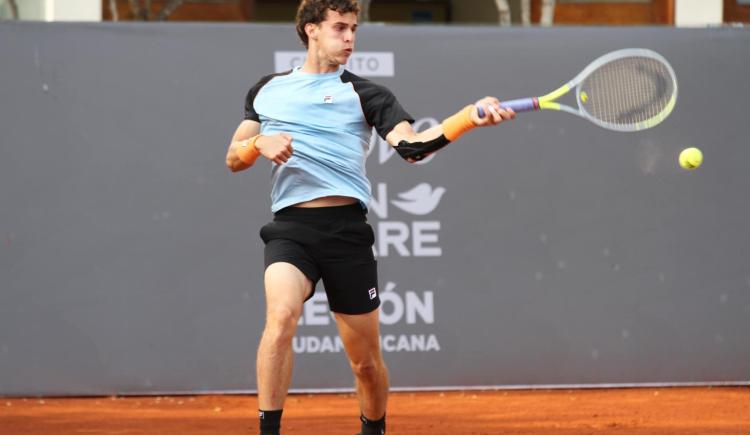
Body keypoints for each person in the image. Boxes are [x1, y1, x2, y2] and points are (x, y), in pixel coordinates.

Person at [225, 1, 514, 433]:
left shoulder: (368, 94)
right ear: (310, 30)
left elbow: (413, 149)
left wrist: (466, 119)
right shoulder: (266, 90)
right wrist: (257, 145)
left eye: (354, 29)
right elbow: (233, 157)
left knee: (364, 363)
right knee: (281, 318)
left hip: (346, 234)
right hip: (290, 230)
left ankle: (373, 428)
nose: (349, 38)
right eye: (339, 27)